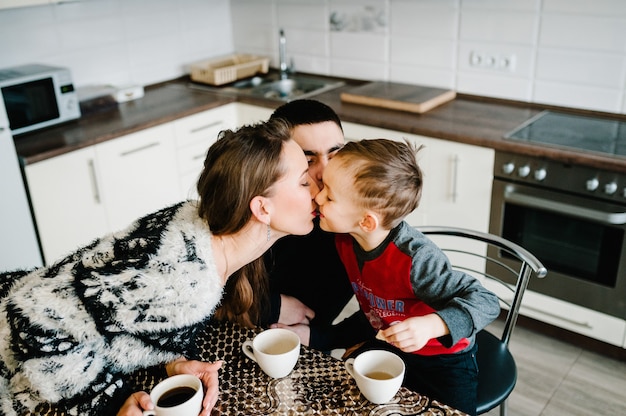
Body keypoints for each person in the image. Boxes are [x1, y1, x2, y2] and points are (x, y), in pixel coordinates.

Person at [0, 118, 318, 416]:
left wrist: (172, 362)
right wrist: (110, 403)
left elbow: (121, 318)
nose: (318, 190)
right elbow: (31, 321)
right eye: (305, 182)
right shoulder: (188, 280)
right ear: (262, 207)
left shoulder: (195, 218)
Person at [314, 138, 500, 416]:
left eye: (328, 196)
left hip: (445, 361)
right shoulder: (344, 239)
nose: (317, 197)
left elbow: (487, 301)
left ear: (367, 221)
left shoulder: (416, 260)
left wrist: (431, 326)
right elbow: (378, 308)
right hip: (391, 343)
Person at [261, 99, 372, 350]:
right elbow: (210, 293)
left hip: (308, 349)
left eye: (335, 155)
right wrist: (273, 307)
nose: (325, 171)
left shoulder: (360, 222)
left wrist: (324, 338)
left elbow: (391, 307)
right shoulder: (262, 210)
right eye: (308, 160)